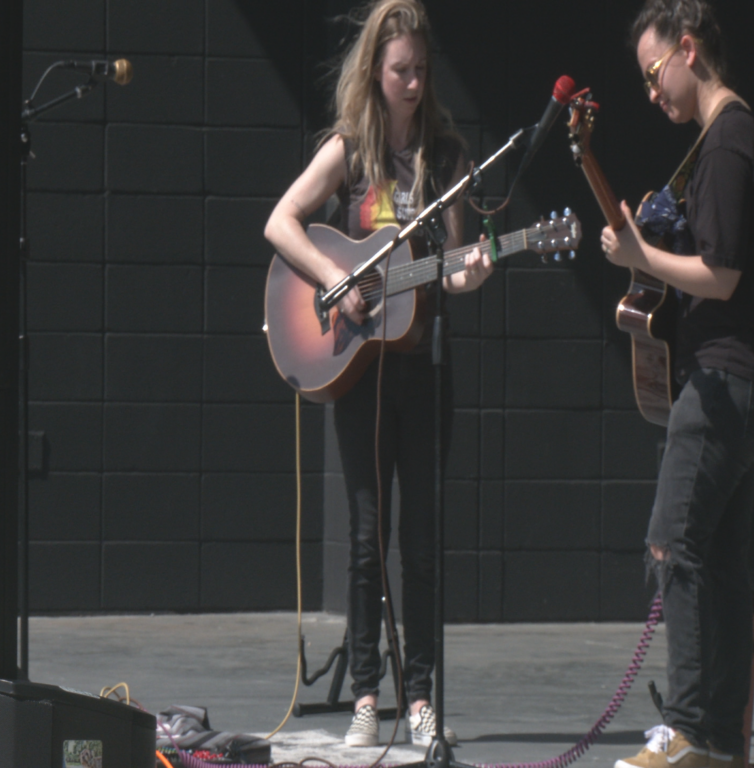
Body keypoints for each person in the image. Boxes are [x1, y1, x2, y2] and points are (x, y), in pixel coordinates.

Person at [264, 0, 492, 749]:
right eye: (402, 70)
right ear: (376, 70)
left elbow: (452, 274)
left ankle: (418, 699)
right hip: (359, 373)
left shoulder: (447, 157)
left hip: (424, 372)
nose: (415, 83)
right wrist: (337, 272)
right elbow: (280, 222)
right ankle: (367, 697)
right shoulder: (351, 149)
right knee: (366, 541)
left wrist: (474, 273)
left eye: (423, 69)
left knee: (419, 544)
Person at [600, 2, 754, 767]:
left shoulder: (728, 141)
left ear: (688, 49)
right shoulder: (731, 140)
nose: (652, 94)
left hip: (725, 382)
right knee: (715, 557)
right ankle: (715, 741)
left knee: (671, 544)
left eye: (655, 74)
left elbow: (720, 276)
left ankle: (685, 729)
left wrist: (641, 259)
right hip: (749, 381)